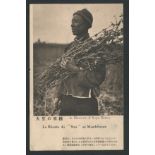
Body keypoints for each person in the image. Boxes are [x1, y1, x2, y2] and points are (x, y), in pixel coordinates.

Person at [53, 9, 106, 116]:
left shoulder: (95, 49)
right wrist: (58, 95)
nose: (72, 25)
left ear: (87, 25)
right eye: (72, 22)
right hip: (67, 101)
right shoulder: (69, 48)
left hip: (86, 103)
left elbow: (96, 78)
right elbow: (62, 74)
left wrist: (74, 69)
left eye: (76, 21)